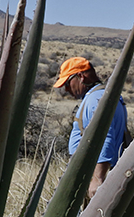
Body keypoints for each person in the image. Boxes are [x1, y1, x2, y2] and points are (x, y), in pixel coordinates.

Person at [54, 57, 127, 200]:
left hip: (95, 179)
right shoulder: (103, 96)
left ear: (80, 77)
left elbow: (104, 136)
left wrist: (98, 179)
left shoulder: (96, 100)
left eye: (68, 83)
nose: (66, 89)